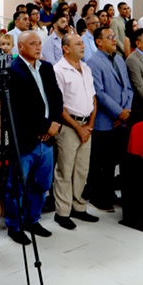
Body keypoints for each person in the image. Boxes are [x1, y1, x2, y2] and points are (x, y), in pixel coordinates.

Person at [5, 31, 63, 245]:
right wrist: (46, 125)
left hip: (47, 139)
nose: (38, 47)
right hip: (25, 138)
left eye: (39, 43)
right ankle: (14, 226)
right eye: (33, 43)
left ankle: (32, 220)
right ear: (20, 47)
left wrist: (53, 124)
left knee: (42, 184)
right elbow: (19, 109)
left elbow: (57, 98)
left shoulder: (46, 67)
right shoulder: (12, 71)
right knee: (17, 187)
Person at [52, 33, 99, 229]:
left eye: (82, 43)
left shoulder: (86, 68)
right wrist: (79, 128)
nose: (83, 46)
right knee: (65, 170)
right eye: (78, 43)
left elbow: (93, 98)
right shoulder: (58, 70)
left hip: (86, 126)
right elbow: (59, 105)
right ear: (66, 48)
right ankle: (62, 212)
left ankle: (78, 207)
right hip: (69, 127)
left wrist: (89, 125)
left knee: (81, 169)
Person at [86, 27, 134, 212]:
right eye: (110, 37)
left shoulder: (119, 59)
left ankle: (109, 193)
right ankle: (96, 196)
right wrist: (118, 112)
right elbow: (99, 93)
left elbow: (128, 87)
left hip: (121, 119)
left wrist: (125, 111)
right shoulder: (93, 62)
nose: (114, 40)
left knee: (113, 161)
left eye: (115, 36)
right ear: (98, 42)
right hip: (104, 120)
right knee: (100, 162)